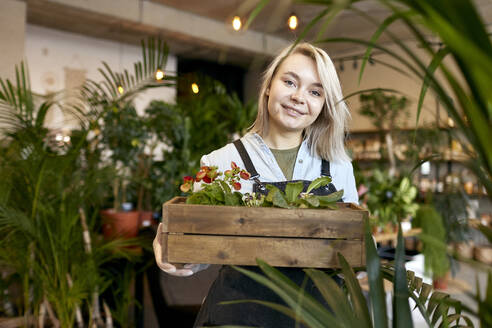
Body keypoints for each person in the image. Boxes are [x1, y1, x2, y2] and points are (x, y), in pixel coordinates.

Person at [153, 42, 358, 327]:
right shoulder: (221, 162)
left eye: (315, 91)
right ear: (268, 87)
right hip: (239, 314)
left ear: (323, 105)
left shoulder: (337, 166)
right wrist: (175, 251)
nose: (299, 97)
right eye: (289, 82)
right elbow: (200, 251)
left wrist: (363, 249)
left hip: (318, 317)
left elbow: (354, 249)